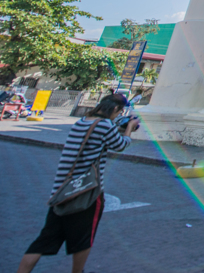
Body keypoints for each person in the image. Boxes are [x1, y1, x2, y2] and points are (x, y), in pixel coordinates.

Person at [17, 93, 138, 273]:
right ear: (114, 109)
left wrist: (118, 127)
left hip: (62, 189)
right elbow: (120, 145)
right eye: (118, 111)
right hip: (86, 191)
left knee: (44, 240)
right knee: (83, 239)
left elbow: (97, 141)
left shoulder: (82, 121)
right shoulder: (104, 125)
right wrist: (129, 128)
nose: (117, 115)